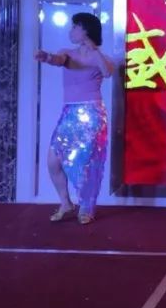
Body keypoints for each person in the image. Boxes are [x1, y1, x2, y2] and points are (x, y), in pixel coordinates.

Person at [34, 12, 114, 225]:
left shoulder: (101, 57)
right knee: (53, 160)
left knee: (86, 163)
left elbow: (107, 72)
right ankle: (66, 203)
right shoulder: (67, 53)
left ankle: (86, 207)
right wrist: (46, 57)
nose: (71, 31)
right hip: (69, 113)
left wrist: (94, 49)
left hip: (92, 114)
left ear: (85, 30)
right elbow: (58, 60)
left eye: (75, 27)